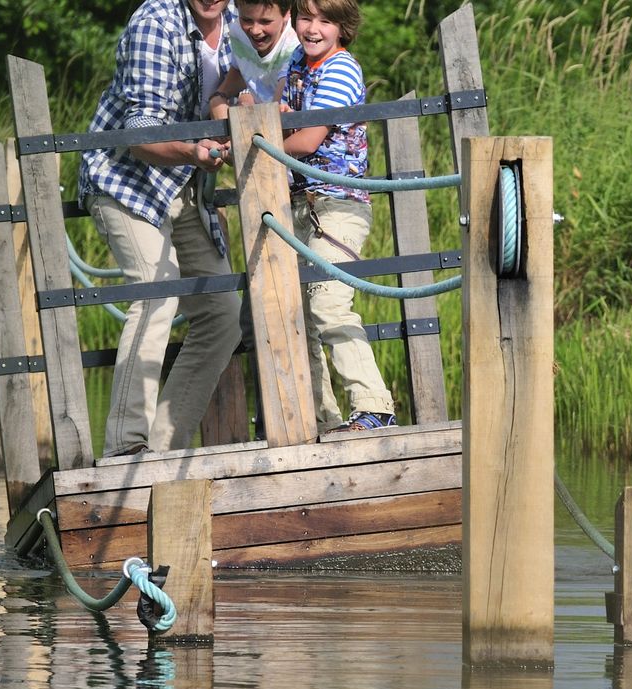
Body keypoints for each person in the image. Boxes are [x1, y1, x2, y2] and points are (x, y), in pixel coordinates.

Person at [78, 0, 239, 457]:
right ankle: (126, 446)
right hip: (124, 179)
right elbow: (141, 134)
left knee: (224, 315)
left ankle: (163, 450)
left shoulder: (239, 25)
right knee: (157, 292)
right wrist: (195, 154)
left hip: (185, 185)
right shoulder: (156, 23)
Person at [279, 0, 397, 431]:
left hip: (337, 204)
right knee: (295, 314)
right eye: (306, 18)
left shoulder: (341, 69)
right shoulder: (296, 62)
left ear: (342, 28)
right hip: (297, 202)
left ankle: (375, 407)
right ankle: (320, 418)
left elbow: (308, 140)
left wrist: (251, 136)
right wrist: (274, 117)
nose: (313, 29)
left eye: (325, 21)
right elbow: (276, 106)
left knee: (329, 303)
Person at [208, 0, 299, 120]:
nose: (255, 30)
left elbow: (277, 112)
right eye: (246, 20)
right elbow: (241, 69)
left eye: (265, 21)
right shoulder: (239, 32)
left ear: (287, 13)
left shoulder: (294, 48)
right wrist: (218, 98)